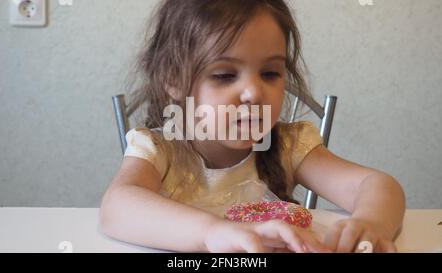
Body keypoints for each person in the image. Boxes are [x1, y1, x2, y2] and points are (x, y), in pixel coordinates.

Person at [100, 0, 405, 253]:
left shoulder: (288, 146)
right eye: (224, 75)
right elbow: (117, 207)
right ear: (174, 80)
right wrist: (213, 233)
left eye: (270, 73)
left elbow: (378, 185)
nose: (254, 93)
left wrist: (372, 223)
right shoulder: (160, 148)